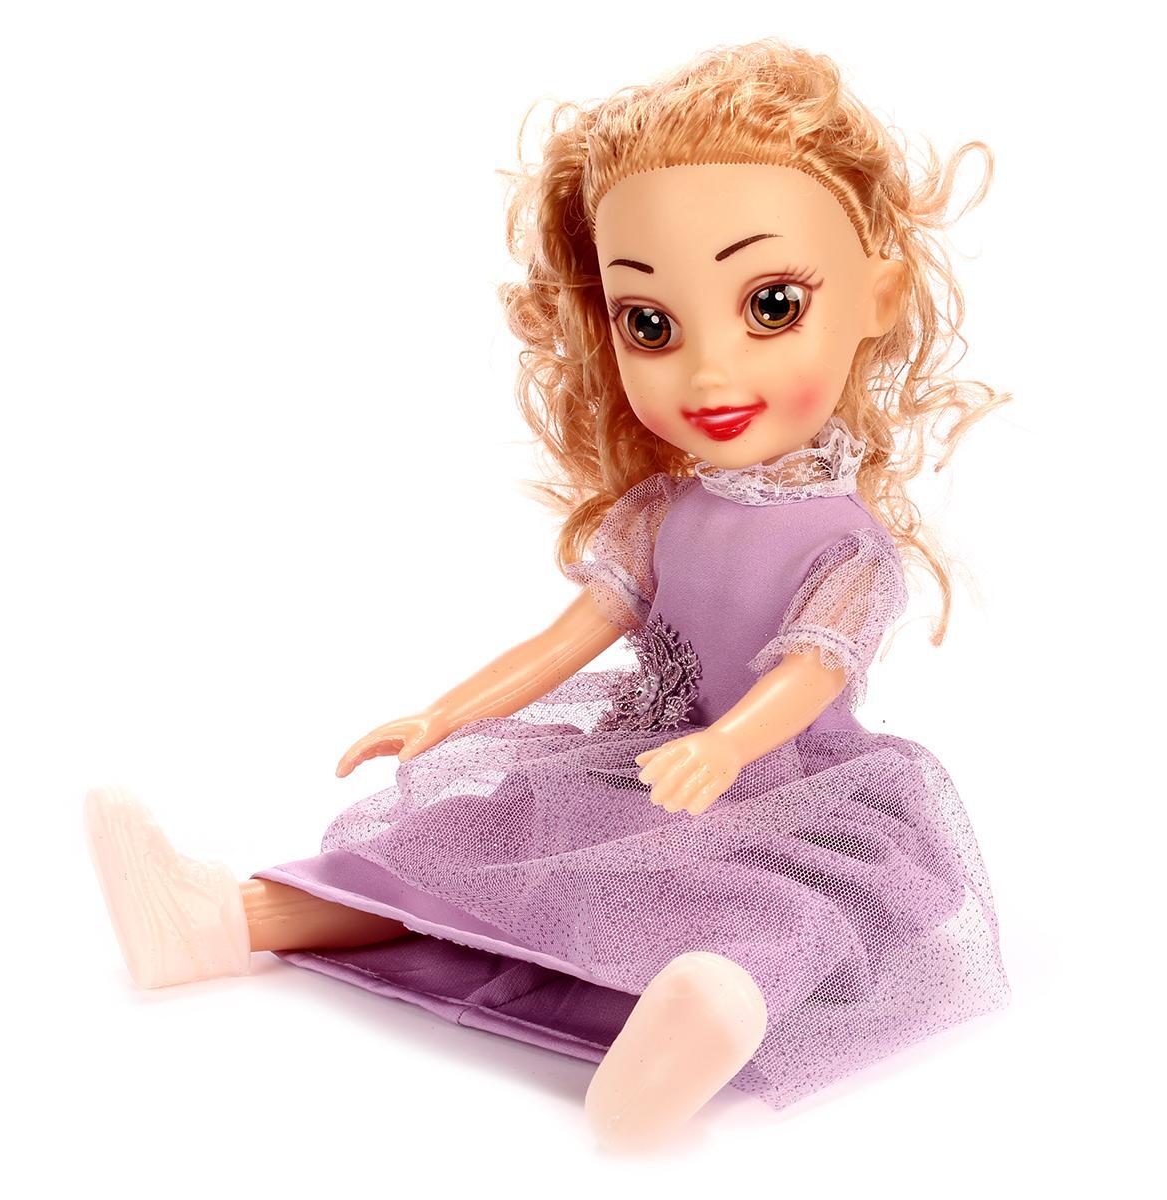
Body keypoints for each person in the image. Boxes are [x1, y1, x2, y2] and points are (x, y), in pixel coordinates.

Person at [85, 37, 1012, 1151]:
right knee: (473, 840)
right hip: (639, 761)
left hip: (791, 788)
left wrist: (726, 748)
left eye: (771, 303)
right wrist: (445, 712)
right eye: (651, 324)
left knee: (791, 904)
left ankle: (707, 1016)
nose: (710, 372)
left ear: (877, 296)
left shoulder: (847, 547)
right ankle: (224, 919)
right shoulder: (660, 513)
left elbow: (813, 671)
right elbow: (572, 635)